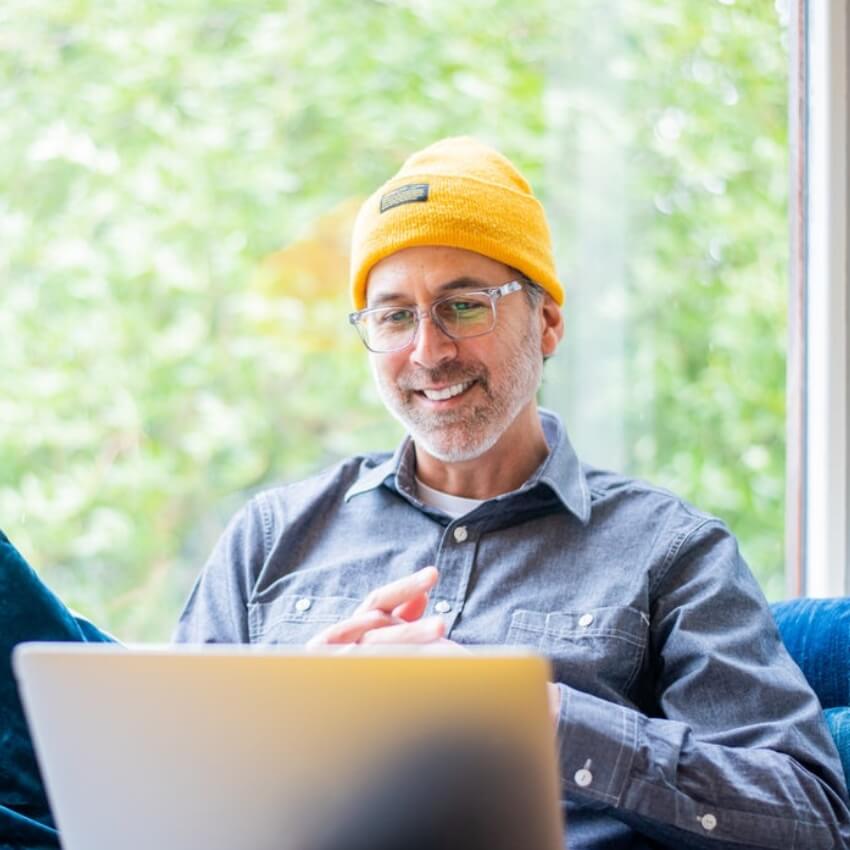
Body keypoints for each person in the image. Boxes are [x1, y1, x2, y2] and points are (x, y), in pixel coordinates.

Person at [173, 137, 850, 848]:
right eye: (395, 315)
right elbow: (163, 790)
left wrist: (532, 717)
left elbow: (807, 819)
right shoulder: (271, 537)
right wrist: (282, 729)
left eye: (464, 306)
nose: (429, 351)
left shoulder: (672, 551)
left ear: (548, 322)